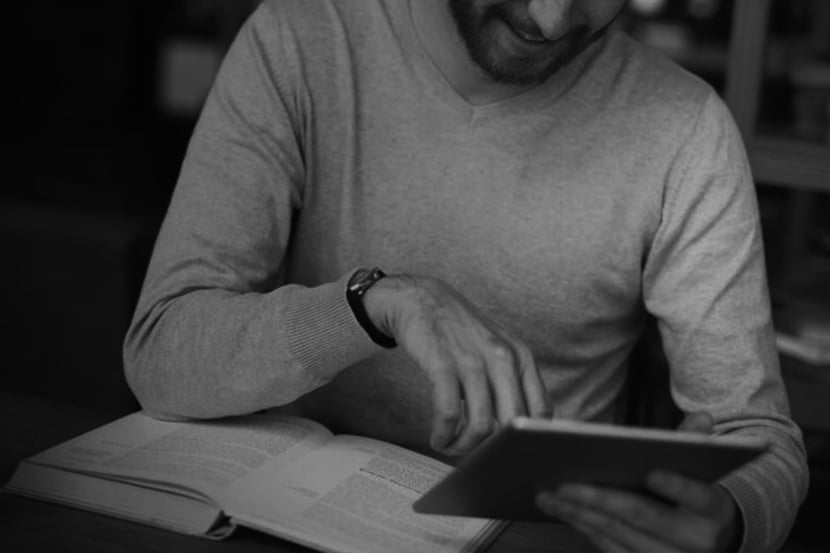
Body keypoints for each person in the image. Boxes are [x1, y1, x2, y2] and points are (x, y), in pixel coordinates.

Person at [123, 0, 808, 551]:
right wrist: (374, 303)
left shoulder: (687, 129)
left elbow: (758, 434)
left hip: (537, 538)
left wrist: (732, 516)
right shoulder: (300, 39)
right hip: (282, 526)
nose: (551, 20)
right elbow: (161, 352)